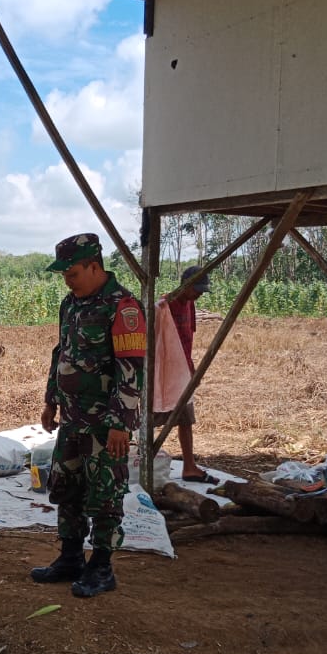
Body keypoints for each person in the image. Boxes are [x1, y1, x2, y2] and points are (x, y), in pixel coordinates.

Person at [33, 233, 145, 598]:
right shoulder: (71, 305)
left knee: (106, 492)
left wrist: (119, 424)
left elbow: (131, 369)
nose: (68, 279)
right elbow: (60, 353)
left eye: (73, 272)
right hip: (73, 420)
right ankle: (70, 557)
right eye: (64, 273)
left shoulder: (123, 307)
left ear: (94, 266)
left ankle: (101, 566)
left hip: (105, 424)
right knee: (67, 488)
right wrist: (52, 401)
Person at [158, 265, 213, 483]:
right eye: (196, 289)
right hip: (163, 372)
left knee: (186, 418)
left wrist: (191, 367)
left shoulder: (189, 305)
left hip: (182, 371)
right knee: (150, 420)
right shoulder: (165, 306)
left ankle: (189, 466)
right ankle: (140, 463)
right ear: (185, 285)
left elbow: (187, 339)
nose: (199, 294)